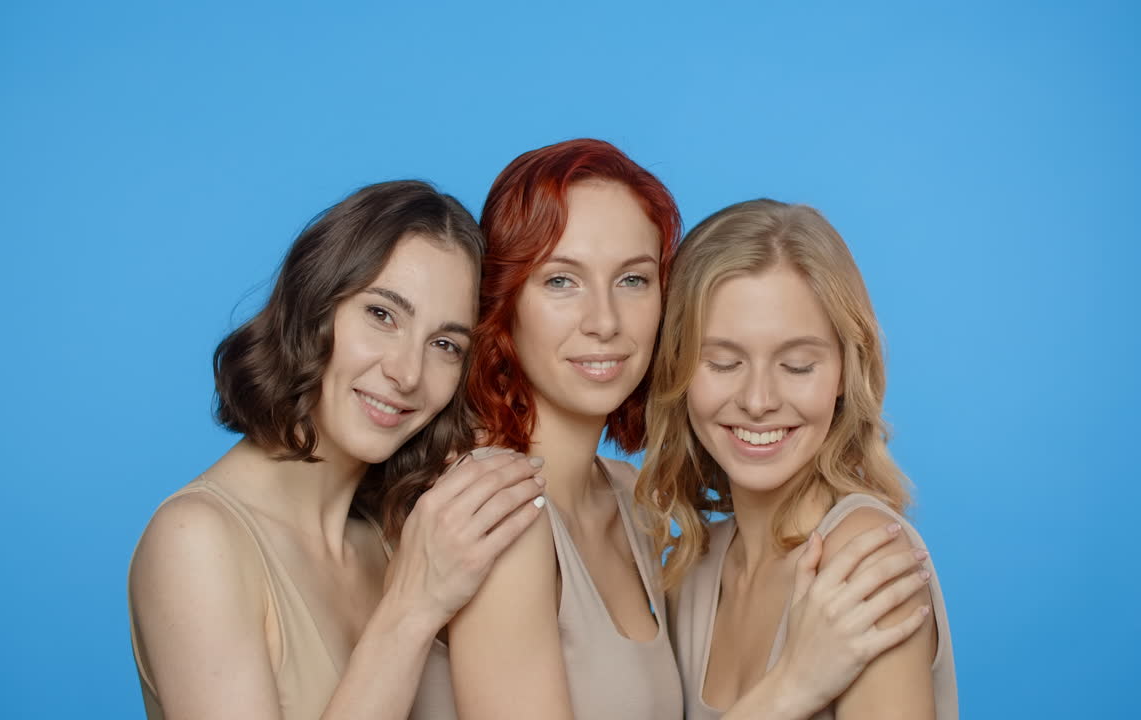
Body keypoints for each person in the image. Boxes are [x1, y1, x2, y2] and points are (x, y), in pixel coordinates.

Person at [449, 141, 935, 720]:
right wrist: (794, 685)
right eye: (560, 281)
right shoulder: (493, 509)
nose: (603, 322)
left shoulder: (643, 514)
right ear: (503, 301)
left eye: (632, 279)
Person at [127, 181, 547, 720]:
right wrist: (412, 609)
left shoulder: (399, 532)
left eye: (445, 345)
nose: (407, 372)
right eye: (381, 315)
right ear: (314, 306)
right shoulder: (197, 541)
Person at [636, 199, 958, 719]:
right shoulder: (688, 571)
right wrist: (792, 685)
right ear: (677, 368)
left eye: (797, 365)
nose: (758, 400)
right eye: (722, 361)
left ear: (843, 375)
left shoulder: (864, 565)